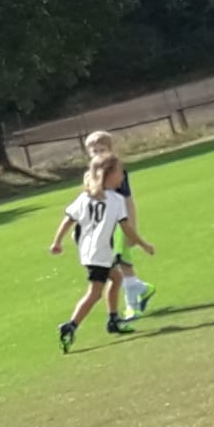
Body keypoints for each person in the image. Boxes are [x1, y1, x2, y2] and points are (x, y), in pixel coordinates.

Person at [49, 153, 155, 353]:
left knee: (116, 278)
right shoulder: (116, 200)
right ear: (108, 174)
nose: (122, 176)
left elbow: (68, 219)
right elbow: (126, 228)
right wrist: (143, 244)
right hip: (100, 254)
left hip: (91, 252)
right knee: (94, 293)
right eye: (120, 172)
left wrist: (57, 241)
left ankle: (113, 320)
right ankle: (70, 326)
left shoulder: (85, 197)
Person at [82, 130, 157, 317]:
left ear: (110, 150)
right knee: (114, 264)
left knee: (123, 261)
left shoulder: (117, 174)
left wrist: (132, 224)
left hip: (119, 223)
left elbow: (128, 200)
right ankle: (141, 289)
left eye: (102, 150)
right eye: (94, 151)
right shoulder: (89, 175)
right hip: (102, 226)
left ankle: (133, 304)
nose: (98, 154)